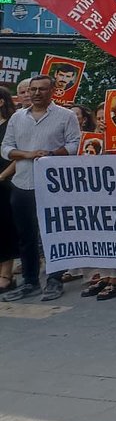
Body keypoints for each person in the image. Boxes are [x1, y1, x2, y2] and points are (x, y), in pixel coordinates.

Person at [1, 75, 81, 302]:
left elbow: (75, 144)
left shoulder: (65, 116)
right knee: (25, 235)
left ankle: (54, 280)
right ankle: (30, 282)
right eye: (33, 89)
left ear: (52, 91)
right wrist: (27, 154)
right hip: (22, 183)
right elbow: (5, 148)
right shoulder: (17, 117)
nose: (36, 93)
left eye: (42, 89)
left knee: (53, 234)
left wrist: (52, 154)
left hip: (53, 186)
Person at [0, 87, 19, 296]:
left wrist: (2, 176)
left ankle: (6, 275)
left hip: (6, 183)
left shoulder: (11, 125)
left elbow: (18, 154)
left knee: (5, 227)